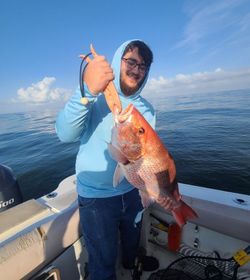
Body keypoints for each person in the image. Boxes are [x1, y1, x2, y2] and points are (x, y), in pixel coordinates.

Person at [55, 39, 155, 280]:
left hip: (132, 191)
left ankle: (132, 261)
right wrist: (88, 91)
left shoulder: (148, 109)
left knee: (132, 240)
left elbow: (147, 154)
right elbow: (65, 134)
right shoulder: (93, 95)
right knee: (103, 261)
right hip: (97, 200)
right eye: (131, 61)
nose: (136, 70)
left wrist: (149, 187)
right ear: (117, 61)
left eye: (143, 66)